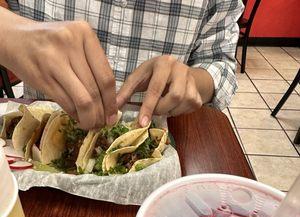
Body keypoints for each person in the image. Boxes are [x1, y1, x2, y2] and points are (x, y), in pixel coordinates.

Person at [0, 0, 243, 130]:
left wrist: (192, 80)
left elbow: (220, 63)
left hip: (164, 146)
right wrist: (9, 34)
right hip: (40, 151)